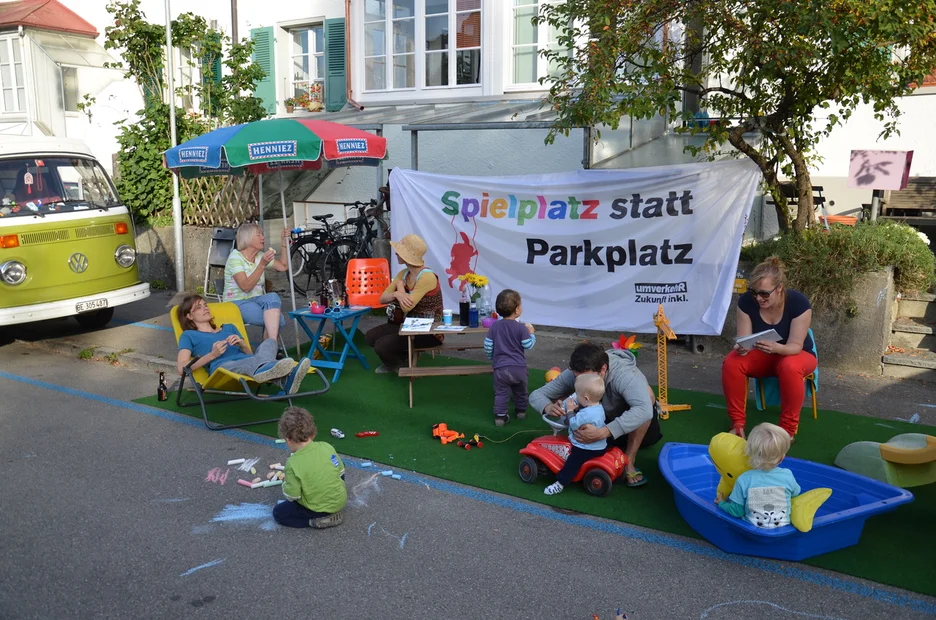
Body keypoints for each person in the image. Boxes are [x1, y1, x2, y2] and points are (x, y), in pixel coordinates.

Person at [529, 342, 662, 487]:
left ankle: (629, 459)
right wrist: (548, 407)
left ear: (603, 369)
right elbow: (538, 394)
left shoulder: (626, 375)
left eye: (583, 378)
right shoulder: (577, 371)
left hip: (629, 425)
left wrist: (604, 432)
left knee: (645, 399)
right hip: (599, 418)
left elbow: (644, 410)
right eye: (576, 377)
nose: (579, 380)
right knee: (561, 395)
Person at [722, 256, 817, 439]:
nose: (758, 298)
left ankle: (787, 431)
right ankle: (737, 424)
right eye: (754, 292)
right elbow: (744, 338)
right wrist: (741, 347)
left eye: (764, 293)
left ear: (779, 288)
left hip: (797, 354)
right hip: (763, 354)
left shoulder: (798, 303)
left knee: (790, 366)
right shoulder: (746, 302)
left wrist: (776, 348)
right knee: (732, 362)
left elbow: (796, 346)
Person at [175, 294, 310, 395]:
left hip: (249, 361)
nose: (205, 308)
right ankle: (282, 377)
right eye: (199, 307)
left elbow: (251, 355)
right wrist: (212, 355)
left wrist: (242, 345)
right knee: (249, 363)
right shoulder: (188, 335)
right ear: (189, 316)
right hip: (222, 369)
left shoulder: (229, 327)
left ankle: (278, 376)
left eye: (205, 305)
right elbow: (182, 369)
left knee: (269, 342)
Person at [364, 234, 443, 373]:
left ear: (407, 256)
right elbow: (382, 298)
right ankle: (403, 358)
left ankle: (396, 365)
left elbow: (407, 306)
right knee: (370, 336)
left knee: (381, 345)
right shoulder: (403, 273)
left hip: (429, 331)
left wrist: (400, 288)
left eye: (399, 251)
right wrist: (396, 293)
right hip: (409, 325)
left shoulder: (427, 277)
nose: (395, 253)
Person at [273, 406, 348, 529]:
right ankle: (332, 495)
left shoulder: (292, 463)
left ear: (288, 440)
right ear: (312, 433)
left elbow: (292, 496)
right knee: (338, 465)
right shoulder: (326, 446)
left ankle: (314, 521)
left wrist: (285, 483)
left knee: (279, 513)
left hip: (316, 509)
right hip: (340, 501)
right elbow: (341, 471)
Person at [717, 422, 801, 528]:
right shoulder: (787, 475)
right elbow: (796, 493)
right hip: (783, 528)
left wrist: (721, 503)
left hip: (752, 529)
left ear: (749, 453)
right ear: (781, 458)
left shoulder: (744, 479)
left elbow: (736, 512)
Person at [223, 222, 289, 342]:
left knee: (273, 296)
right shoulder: (235, 258)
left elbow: (283, 267)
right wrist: (262, 265)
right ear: (247, 238)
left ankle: (269, 348)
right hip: (237, 303)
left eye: (262, 234)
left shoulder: (260, 256)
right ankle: (271, 348)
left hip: (257, 300)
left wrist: (284, 244)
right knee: (278, 320)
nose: (263, 238)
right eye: (259, 235)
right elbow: (246, 287)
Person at [544, 374, 608, 496]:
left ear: (586, 399)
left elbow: (573, 424)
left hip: (586, 448)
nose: (575, 396)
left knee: (573, 462)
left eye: (577, 394)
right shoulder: (599, 407)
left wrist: (569, 410)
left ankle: (560, 483)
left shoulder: (585, 415)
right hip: (601, 445)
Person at [483, 289, 536, 426]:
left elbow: (488, 346)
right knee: (521, 391)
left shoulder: (494, 327)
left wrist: (492, 358)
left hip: (501, 368)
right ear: (517, 310)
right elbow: (528, 345)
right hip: (519, 368)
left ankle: (500, 417)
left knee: (501, 393)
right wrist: (531, 334)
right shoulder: (522, 328)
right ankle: (521, 411)